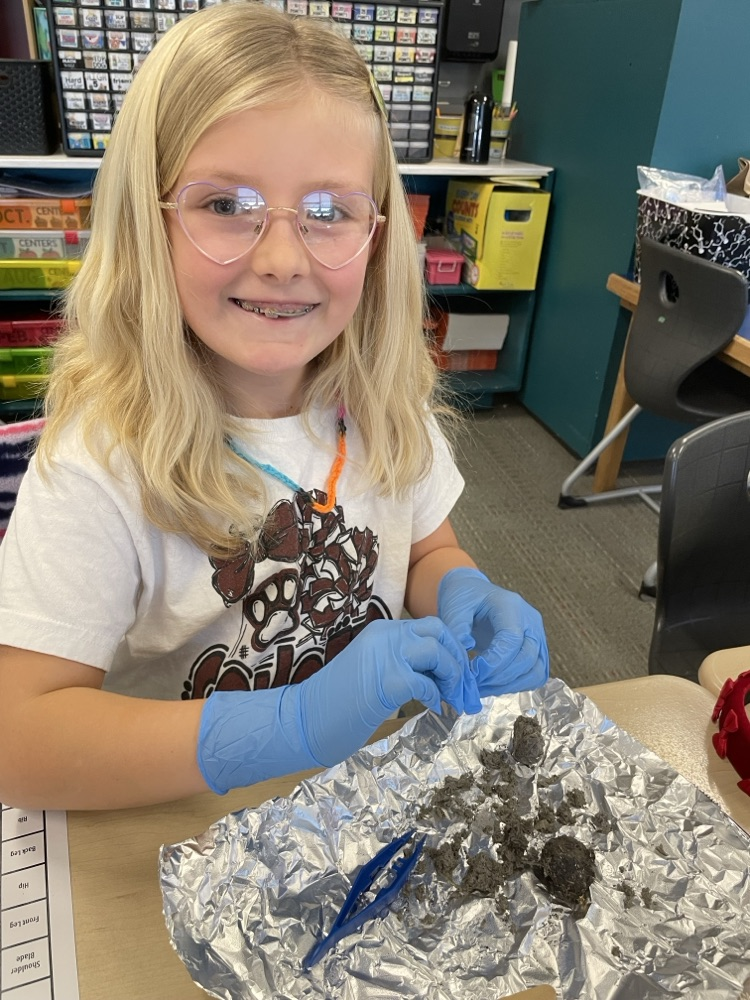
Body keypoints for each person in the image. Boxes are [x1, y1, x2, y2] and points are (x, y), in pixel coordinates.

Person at [0, 2, 548, 812]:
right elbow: (22, 740)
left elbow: (428, 550)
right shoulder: (103, 460)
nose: (284, 259)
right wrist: (284, 723)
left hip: (356, 822)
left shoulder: (385, 409)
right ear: (147, 221)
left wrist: (466, 595)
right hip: (181, 834)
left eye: (329, 212)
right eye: (225, 204)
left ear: (378, 233)